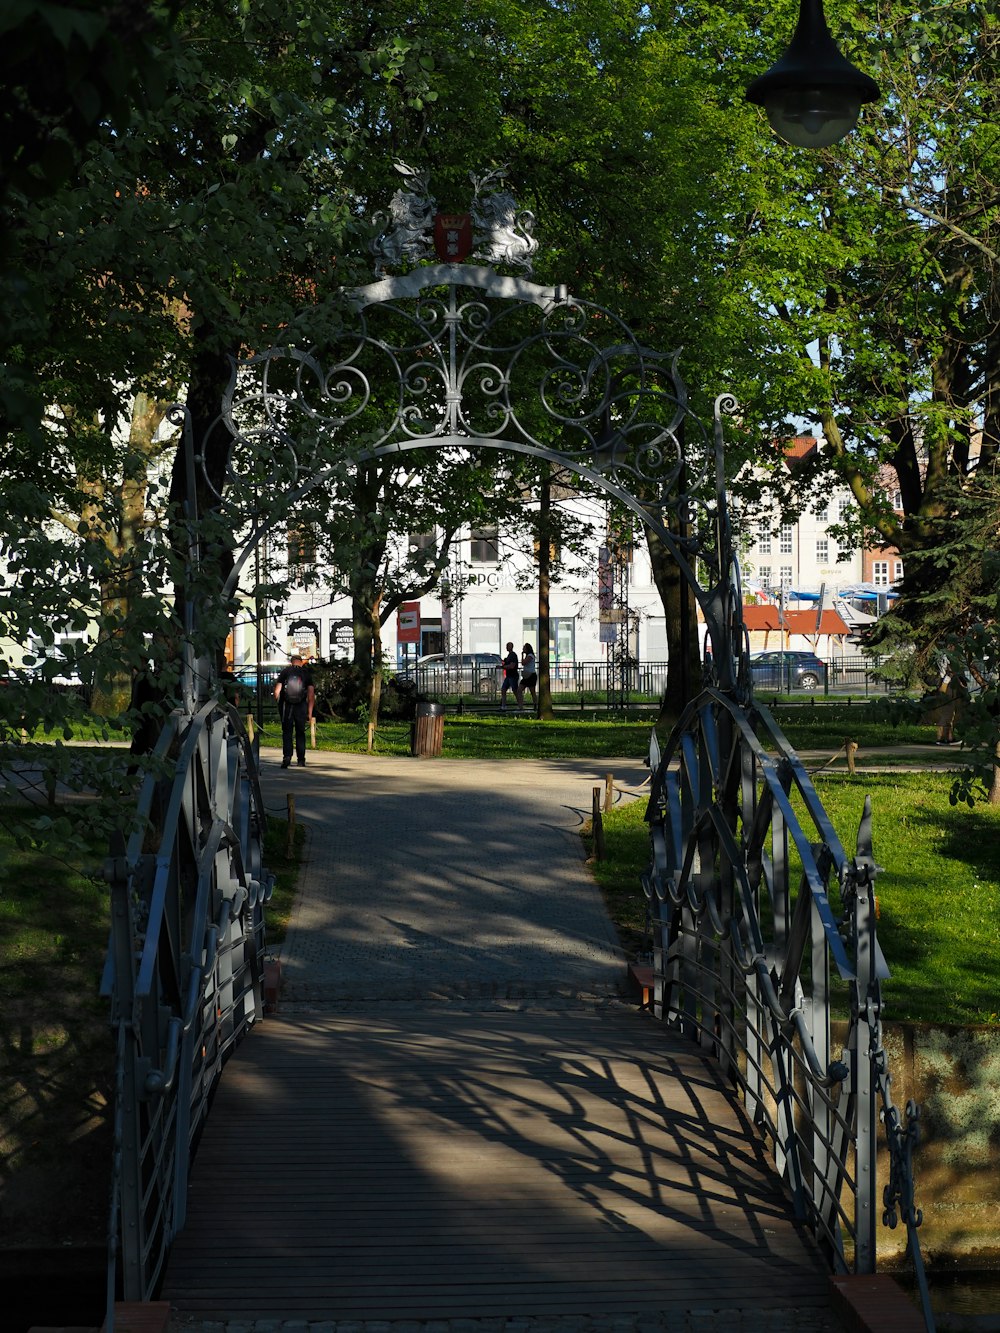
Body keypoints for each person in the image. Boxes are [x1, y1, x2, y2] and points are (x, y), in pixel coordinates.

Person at [274, 653, 315, 767]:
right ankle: (301, 759)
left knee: (287, 732)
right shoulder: (306, 674)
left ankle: (287, 757)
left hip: (287, 706)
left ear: (291, 662)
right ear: (301, 662)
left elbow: (277, 692)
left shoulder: (285, 672)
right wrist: (310, 713)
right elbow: (311, 695)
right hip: (301, 706)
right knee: (300, 733)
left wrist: (280, 703)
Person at [500, 641, 519, 711]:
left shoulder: (513, 655)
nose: (506, 647)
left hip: (513, 676)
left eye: (508, 646)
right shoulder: (509, 655)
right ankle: (503, 705)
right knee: (503, 689)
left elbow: (512, 666)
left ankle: (520, 705)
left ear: (511, 647)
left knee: (515, 691)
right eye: (506, 646)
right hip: (509, 676)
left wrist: (503, 667)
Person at [518, 642, 537, 709]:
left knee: (532, 691)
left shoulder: (530, 656)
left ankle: (535, 705)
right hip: (526, 676)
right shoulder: (527, 656)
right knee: (519, 690)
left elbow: (524, 663)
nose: (523, 649)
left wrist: (522, 656)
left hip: (531, 675)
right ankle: (521, 706)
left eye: (524, 648)